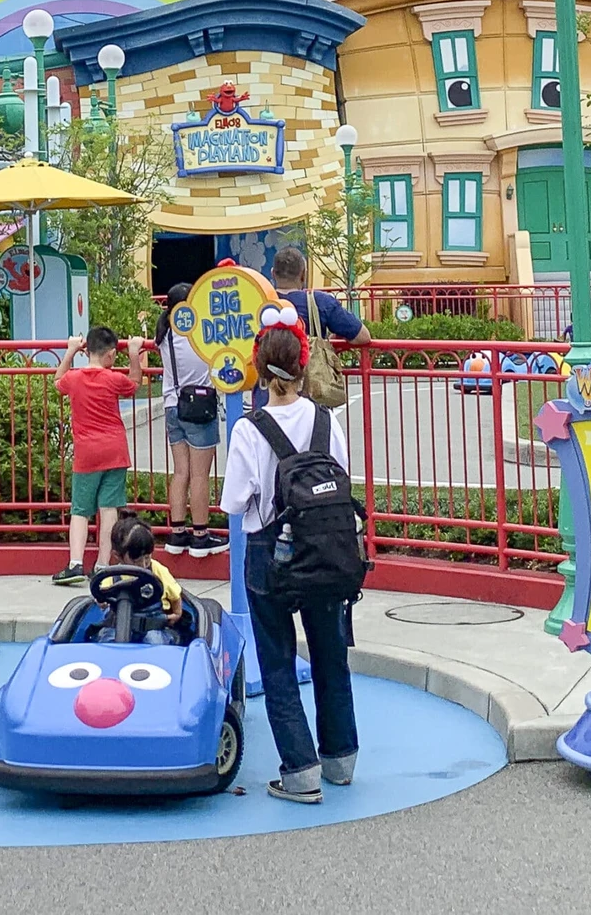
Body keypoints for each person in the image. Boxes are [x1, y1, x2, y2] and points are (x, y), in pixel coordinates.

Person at [221, 324, 359, 805]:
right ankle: (341, 759)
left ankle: (300, 771)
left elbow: (235, 502)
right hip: (326, 551)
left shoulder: (248, 428)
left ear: (259, 370)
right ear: (303, 367)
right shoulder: (326, 420)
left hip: (270, 553)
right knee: (329, 654)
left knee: (277, 662)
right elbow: (341, 477)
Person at [51, 327, 147, 588]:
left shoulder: (74, 378)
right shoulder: (114, 379)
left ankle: (75, 564)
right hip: (115, 451)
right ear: (112, 354)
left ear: (87, 351)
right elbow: (135, 384)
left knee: (80, 510)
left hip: (86, 453)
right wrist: (135, 354)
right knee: (108, 509)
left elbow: (57, 381)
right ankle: (103, 564)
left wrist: (70, 350)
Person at [156, 284, 226, 558]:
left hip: (173, 407)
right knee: (199, 475)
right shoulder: (202, 334)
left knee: (181, 472)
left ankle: (177, 533)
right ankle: (200, 535)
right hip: (200, 409)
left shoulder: (165, 335)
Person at [102, 512, 184, 645]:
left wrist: (176, 614)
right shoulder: (112, 575)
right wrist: (102, 602)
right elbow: (102, 596)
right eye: (137, 560)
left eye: (147, 557)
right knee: (106, 640)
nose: (144, 564)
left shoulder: (158, 570)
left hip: (153, 626)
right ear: (118, 556)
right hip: (119, 624)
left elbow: (175, 596)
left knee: (154, 641)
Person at [270, 246, 369, 344]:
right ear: (304, 274)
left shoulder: (262, 302)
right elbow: (363, 337)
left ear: (273, 274)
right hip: (308, 359)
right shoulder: (321, 302)